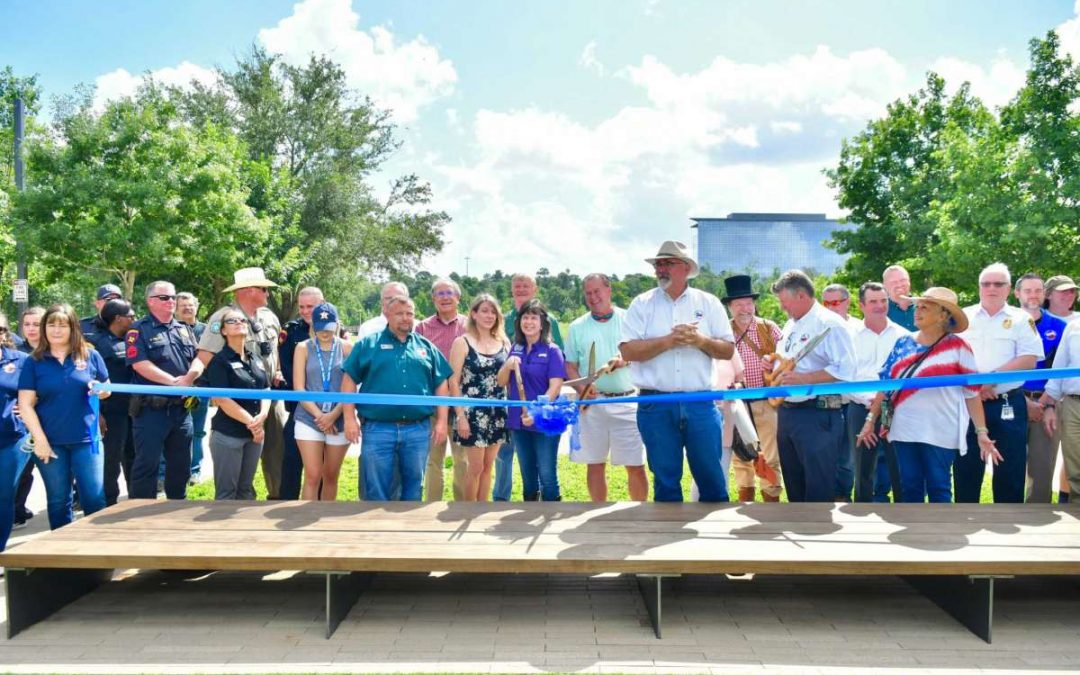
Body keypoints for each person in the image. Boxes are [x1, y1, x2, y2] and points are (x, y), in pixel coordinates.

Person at [857, 288, 998, 503]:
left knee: (938, 486)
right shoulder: (903, 343)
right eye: (917, 306)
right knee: (909, 486)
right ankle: (914, 534)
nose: (917, 311)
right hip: (904, 428)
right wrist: (870, 420)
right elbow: (886, 385)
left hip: (941, 430)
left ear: (943, 315)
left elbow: (972, 394)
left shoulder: (959, 346)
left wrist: (981, 432)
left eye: (925, 307)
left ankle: (940, 535)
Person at [620, 241, 734, 502]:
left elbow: (727, 350)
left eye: (667, 263)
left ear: (686, 268)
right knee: (666, 480)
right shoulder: (641, 304)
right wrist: (668, 342)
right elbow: (628, 351)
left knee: (712, 479)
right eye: (658, 264)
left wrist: (700, 341)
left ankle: (714, 539)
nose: (660, 268)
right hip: (655, 403)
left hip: (700, 402)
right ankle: (668, 537)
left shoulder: (709, 302)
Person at [341, 296, 452, 501]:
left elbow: (441, 383)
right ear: (387, 315)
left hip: (417, 429)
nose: (405, 318)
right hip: (378, 429)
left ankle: (407, 530)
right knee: (376, 488)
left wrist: (442, 422)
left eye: (409, 314)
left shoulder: (426, 347)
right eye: (399, 313)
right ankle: (377, 531)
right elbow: (348, 381)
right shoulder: (368, 345)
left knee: (414, 488)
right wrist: (349, 418)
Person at [954, 263, 1042, 504]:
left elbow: (1029, 359)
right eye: (986, 283)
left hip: (1008, 403)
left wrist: (988, 381)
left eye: (998, 284)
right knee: (966, 468)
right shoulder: (962, 317)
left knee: (1010, 469)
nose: (991, 288)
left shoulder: (1021, 319)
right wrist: (976, 389)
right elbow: (951, 357)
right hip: (968, 403)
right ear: (979, 287)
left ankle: (1007, 521)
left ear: (1009, 289)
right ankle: (962, 522)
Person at [17, 304, 110, 529]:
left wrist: (101, 390)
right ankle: (62, 557)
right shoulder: (34, 361)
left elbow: (107, 389)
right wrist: (39, 441)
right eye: (51, 324)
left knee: (94, 498)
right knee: (59, 501)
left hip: (87, 440)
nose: (56, 330)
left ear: (73, 328)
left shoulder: (90, 355)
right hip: (50, 443)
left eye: (62, 325)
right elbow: (25, 404)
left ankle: (97, 552)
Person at [768, 269, 856, 503]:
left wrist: (806, 379)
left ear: (801, 296)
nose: (782, 308)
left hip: (818, 415)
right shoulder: (790, 325)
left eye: (785, 302)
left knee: (818, 490)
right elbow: (786, 361)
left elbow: (847, 371)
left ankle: (816, 535)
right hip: (788, 413)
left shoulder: (829, 324)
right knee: (795, 487)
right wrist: (772, 363)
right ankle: (800, 526)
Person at [198, 268, 286, 499]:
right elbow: (206, 355)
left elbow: (272, 352)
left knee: (275, 450)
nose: (268, 294)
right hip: (236, 402)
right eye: (264, 289)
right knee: (235, 458)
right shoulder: (223, 318)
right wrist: (223, 389)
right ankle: (239, 501)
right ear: (248, 290)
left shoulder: (269, 317)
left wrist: (276, 372)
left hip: (267, 398)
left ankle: (275, 496)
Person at [565, 273, 648, 502]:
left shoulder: (629, 319)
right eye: (588, 293)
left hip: (628, 401)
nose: (593, 297)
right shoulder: (576, 326)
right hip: (592, 404)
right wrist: (583, 386)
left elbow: (643, 352)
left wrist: (625, 360)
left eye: (597, 291)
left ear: (609, 290)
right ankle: (597, 513)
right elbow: (570, 365)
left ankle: (640, 513)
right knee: (594, 463)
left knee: (635, 465)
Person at [126, 281, 204, 500]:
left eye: (173, 297)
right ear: (151, 301)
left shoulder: (184, 329)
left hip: (181, 409)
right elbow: (139, 364)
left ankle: (176, 509)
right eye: (165, 297)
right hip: (151, 409)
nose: (172, 301)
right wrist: (174, 383)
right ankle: (138, 512)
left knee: (181, 466)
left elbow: (199, 358)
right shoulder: (138, 330)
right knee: (147, 464)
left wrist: (190, 378)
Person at [494, 273, 566, 501]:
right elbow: (501, 381)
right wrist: (508, 364)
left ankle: (550, 514)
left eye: (534, 318)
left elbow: (555, 386)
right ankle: (528, 513)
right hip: (518, 421)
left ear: (543, 322)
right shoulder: (515, 347)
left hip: (543, 419)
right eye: (525, 318)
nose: (529, 322)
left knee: (547, 474)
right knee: (527, 475)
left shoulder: (552, 350)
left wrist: (536, 412)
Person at [722, 274, 783, 502]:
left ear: (754, 304)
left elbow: (787, 359)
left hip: (766, 402)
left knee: (771, 453)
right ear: (730, 307)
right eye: (738, 304)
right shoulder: (722, 333)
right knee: (741, 457)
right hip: (736, 404)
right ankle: (745, 500)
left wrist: (774, 362)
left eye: (748, 303)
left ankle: (771, 503)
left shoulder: (769, 328)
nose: (744, 309)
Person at [848, 282, 908, 503]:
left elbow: (905, 374)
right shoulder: (849, 335)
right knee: (862, 467)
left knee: (898, 465)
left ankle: (904, 514)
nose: (880, 306)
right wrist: (868, 400)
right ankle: (861, 516)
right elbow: (846, 374)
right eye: (873, 301)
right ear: (861, 305)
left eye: (883, 301)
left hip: (892, 408)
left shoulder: (903, 336)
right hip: (859, 407)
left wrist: (883, 399)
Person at [447, 294, 510, 501]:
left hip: (498, 412)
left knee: (488, 466)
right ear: (473, 314)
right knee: (474, 467)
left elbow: (507, 379)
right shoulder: (462, 342)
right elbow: (453, 382)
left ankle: (482, 510)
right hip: (472, 414)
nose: (489, 315)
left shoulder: (503, 342)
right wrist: (460, 416)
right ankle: (469, 510)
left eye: (493, 311)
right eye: (484, 310)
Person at [204, 308, 271, 500]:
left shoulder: (255, 358)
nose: (240, 322)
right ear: (223, 331)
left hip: (254, 435)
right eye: (232, 321)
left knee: (246, 492)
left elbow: (266, 389)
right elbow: (223, 400)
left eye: (243, 320)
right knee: (227, 494)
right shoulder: (219, 361)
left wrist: (263, 416)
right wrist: (254, 423)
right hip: (229, 435)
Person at [1013, 273, 1066, 503]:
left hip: (1048, 404)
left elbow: (1062, 368)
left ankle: (1037, 521)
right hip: (1012, 399)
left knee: (1042, 469)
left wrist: (1046, 404)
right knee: (1010, 465)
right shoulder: (1006, 324)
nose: (1033, 295)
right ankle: (1006, 515)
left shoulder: (1060, 327)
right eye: (1027, 290)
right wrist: (1025, 403)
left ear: (1044, 294)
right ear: (1017, 294)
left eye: (1038, 290)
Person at [292, 303, 352, 501]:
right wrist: (320, 417)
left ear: (336, 324)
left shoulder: (347, 348)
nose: (324, 333)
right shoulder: (303, 348)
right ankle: (306, 516)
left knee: (331, 476)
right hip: (309, 418)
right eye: (319, 327)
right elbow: (299, 389)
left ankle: (323, 518)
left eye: (328, 327)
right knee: (312, 475)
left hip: (339, 418)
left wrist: (333, 415)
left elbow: (352, 387)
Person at [415, 278, 468, 500]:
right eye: (439, 294)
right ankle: (431, 506)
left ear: (458, 297)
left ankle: (463, 507)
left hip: (461, 403)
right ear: (433, 299)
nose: (445, 297)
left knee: (462, 461)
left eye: (449, 293)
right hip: (433, 403)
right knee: (433, 460)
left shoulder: (469, 325)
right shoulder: (422, 327)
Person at [85, 299, 137, 506]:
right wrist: (99, 415)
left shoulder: (133, 341)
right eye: (131, 316)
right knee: (110, 462)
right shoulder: (96, 344)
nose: (134, 320)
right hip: (110, 412)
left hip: (133, 410)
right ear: (118, 319)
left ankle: (136, 502)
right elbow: (89, 383)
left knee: (134, 458)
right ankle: (108, 503)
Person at [278, 286, 325, 500]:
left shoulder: (334, 329)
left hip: (327, 408)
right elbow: (287, 367)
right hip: (299, 406)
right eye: (302, 306)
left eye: (311, 306)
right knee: (291, 459)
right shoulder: (290, 331)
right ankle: (287, 502)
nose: (306, 311)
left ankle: (321, 506)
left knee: (322, 465)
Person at [821, 282, 862, 500]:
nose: (830, 307)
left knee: (847, 457)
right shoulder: (817, 328)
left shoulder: (858, 329)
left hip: (852, 401)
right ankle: (825, 495)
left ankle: (842, 496)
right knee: (825, 452)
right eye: (825, 303)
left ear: (847, 302)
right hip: (824, 401)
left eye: (835, 302)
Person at [11, 307, 44, 527]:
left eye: (36, 324)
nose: (31, 329)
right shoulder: (14, 351)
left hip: (51, 420)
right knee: (21, 471)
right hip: (21, 424)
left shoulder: (55, 351)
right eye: (27, 324)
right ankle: (16, 511)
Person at [1041, 316, 1080, 501]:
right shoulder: (1074, 326)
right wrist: (1049, 405)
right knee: (1074, 467)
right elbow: (1059, 367)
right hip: (1073, 404)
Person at [0, 315, 29, 551]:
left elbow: (40, 392)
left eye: (0, 329)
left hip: (12, 439)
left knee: (3, 496)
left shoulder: (22, 361)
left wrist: (32, 403)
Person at [176, 291, 209, 483]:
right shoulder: (170, 330)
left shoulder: (207, 331)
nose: (188, 309)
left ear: (197, 307)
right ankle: (166, 473)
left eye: (191, 305)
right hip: (177, 389)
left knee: (197, 431)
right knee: (174, 432)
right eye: (183, 306)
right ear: (176, 310)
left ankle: (194, 470)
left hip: (200, 390)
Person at [883, 265, 916, 331]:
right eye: (893, 282)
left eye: (903, 280)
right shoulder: (881, 312)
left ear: (909, 281)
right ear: (885, 285)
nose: (899, 285)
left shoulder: (923, 306)